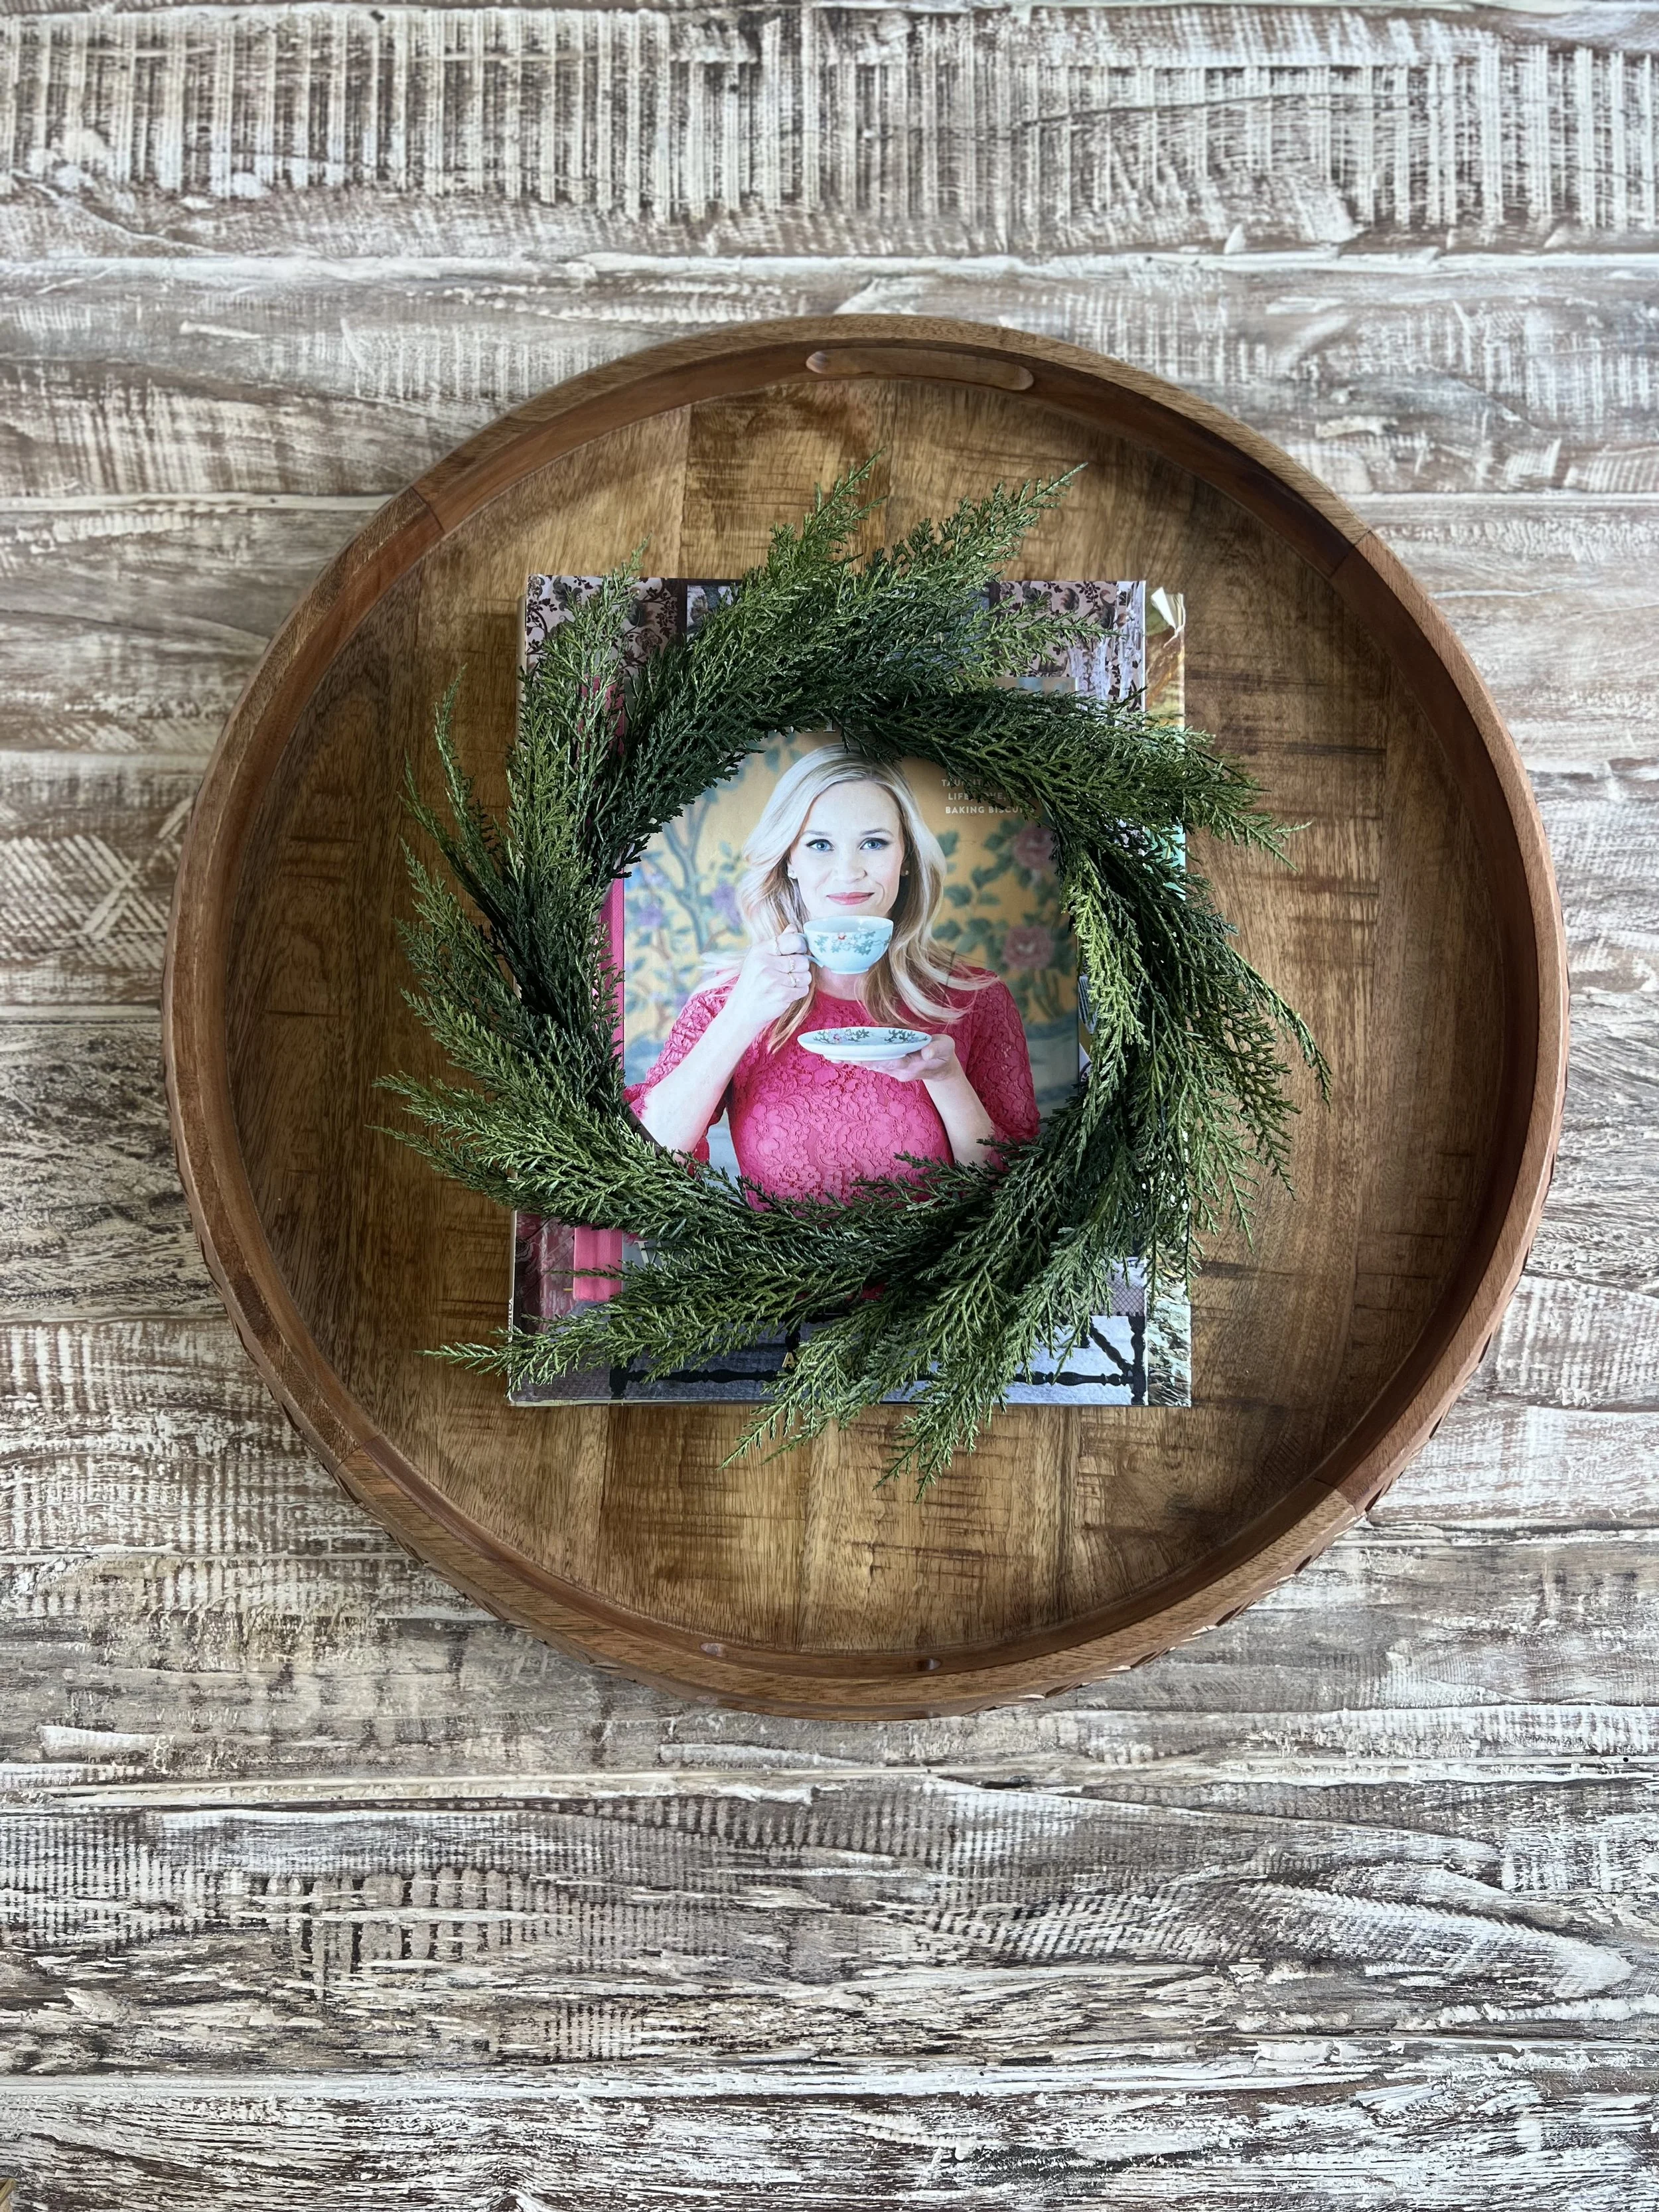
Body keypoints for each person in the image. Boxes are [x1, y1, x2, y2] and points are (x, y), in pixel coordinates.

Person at [628, 745, 1041, 1203]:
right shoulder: (729, 1000)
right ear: (789, 859)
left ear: (905, 857)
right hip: (775, 1254)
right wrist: (741, 1014)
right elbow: (647, 1160)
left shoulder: (975, 998)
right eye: (820, 845)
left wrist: (946, 1078)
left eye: (874, 843)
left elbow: (1013, 1194)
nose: (848, 872)